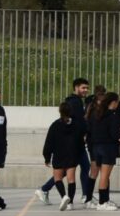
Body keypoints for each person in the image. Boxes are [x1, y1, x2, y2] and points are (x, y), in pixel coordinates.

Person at [38, 78, 95, 206]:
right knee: (78, 169)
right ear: (75, 88)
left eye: (87, 88)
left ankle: (46, 189)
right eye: (83, 88)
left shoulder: (75, 101)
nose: (85, 90)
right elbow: (77, 122)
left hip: (74, 142)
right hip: (75, 143)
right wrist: (84, 133)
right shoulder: (75, 102)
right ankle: (85, 197)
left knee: (71, 170)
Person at [41, 99, 87, 211]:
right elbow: (81, 141)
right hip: (72, 154)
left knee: (58, 178)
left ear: (59, 111)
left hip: (59, 154)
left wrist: (47, 157)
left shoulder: (55, 125)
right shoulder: (76, 125)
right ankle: (70, 203)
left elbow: (49, 142)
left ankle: (64, 196)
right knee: (71, 179)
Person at [87, 91, 120, 210]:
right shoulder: (112, 116)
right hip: (108, 147)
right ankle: (102, 202)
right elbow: (115, 134)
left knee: (101, 174)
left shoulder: (95, 114)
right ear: (113, 102)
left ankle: (105, 200)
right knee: (104, 176)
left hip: (96, 147)